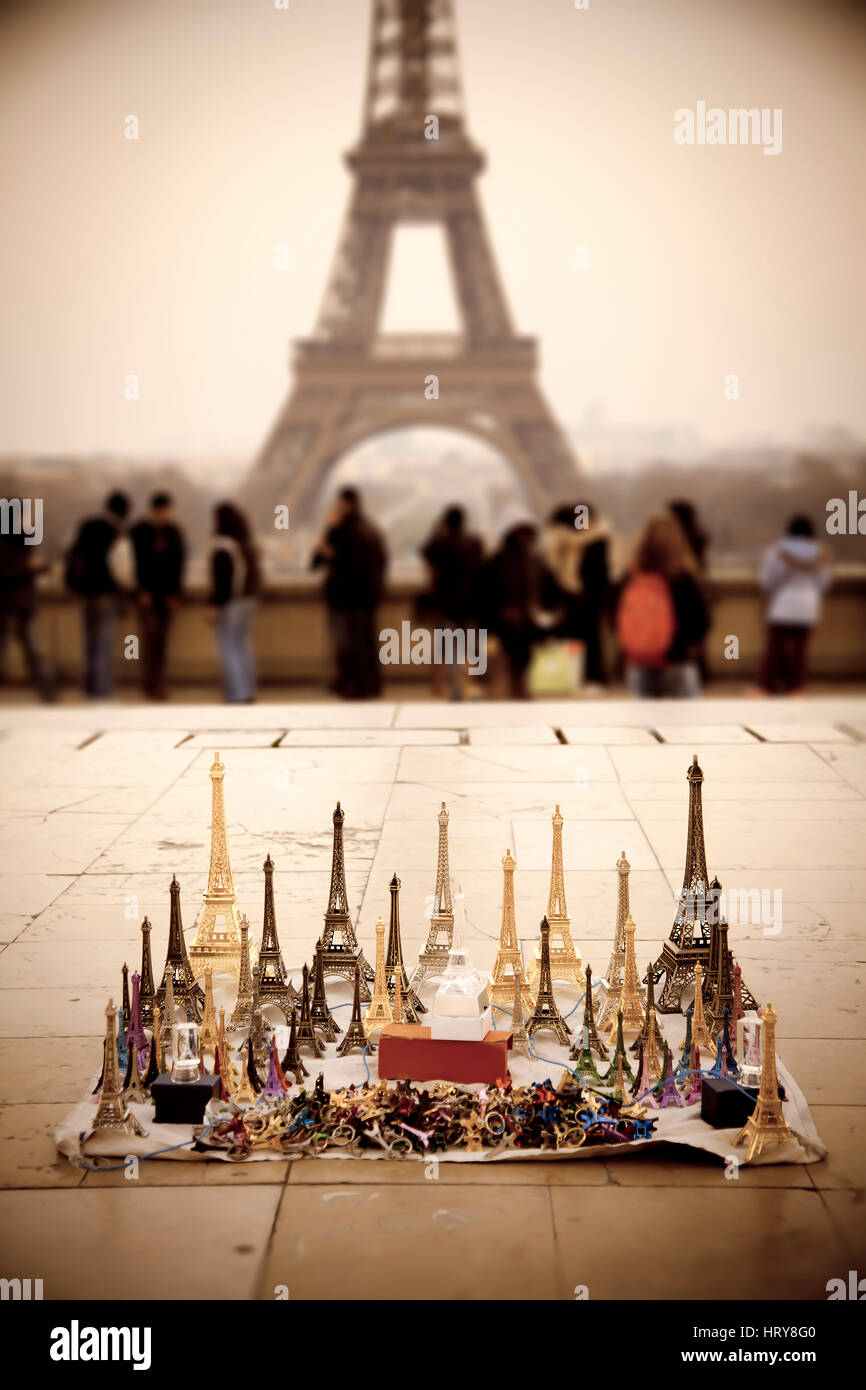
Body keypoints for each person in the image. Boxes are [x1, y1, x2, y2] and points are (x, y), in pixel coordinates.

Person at [616, 511, 710, 698]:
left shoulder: (632, 576)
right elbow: (701, 620)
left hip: (640, 658)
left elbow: (615, 611)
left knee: (644, 724)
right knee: (686, 724)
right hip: (678, 658)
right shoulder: (683, 578)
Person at [311, 487, 387, 699]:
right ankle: (368, 685)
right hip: (366, 597)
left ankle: (355, 685)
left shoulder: (344, 531)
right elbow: (380, 563)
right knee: (364, 644)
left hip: (347, 598)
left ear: (346, 504)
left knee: (349, 645)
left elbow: (321, 563)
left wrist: (328, 534)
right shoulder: (371, 530)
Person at [65, 491, 133, 698]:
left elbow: (71, 553)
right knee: (105, 644)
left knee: (90, 643)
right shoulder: (116, 532)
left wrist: (75, 584)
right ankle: (102, 691)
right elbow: (122, 568)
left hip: (87, 593)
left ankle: (89, 688)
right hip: (107, 593)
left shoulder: (86, 526)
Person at [755, 515, 830, 695]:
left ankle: (766, 686)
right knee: (801, 652)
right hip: (808, 606)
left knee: (774, 649)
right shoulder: (819, 552)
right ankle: (797, 687)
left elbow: (766, 580)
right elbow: (824, 582)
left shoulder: (776, 551)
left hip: (782, 604)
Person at [419, 505, 484, 698]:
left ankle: (439, 685)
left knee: (441, 645)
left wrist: (437, 530)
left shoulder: (439, 542)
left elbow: (426, 556)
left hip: (443, 600)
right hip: (468, 600)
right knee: (469, 645)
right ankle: (468, 682)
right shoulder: (473, 542)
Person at [480, 523, 547, 699]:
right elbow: (487, 590)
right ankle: (511, 688)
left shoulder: (532, 560)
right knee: (508, 655)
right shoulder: (501, 561)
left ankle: (519, 686)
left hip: (525, 617)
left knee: (524, 655)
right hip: (505, 617)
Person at [130, 491, 185, 700]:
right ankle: (151, 682)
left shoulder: (173, 532)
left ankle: (156, 682)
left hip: (164, 596)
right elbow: (136, 564)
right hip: (148, 596)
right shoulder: (140, 532)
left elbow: (178, 564)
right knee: (150, 640)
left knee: (160, 641)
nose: (165, 515)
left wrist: (174, 593)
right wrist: (141, 591)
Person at [208, 502, 260, 703]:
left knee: (228, 648)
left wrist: (215, 604)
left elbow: (223, 581)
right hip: (248, 601)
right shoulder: (245, 544)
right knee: (243, 646)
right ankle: (247, 690)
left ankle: (236, 693)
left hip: (231, 603)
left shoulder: (223, 546)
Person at [0, 529, 55, 701]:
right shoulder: (5, 543)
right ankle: (49, 695)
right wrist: (28, 566)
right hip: (7, 605)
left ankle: (49, 695)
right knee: (33, 653)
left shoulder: (22, 541)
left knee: (35, 653)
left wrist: (39, 566)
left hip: (22, 606)